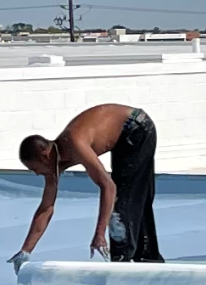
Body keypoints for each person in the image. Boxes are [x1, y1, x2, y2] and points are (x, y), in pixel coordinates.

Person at [13, 103, 163, 266]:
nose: (36, 173)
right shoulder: (52, 165)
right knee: (135, 196)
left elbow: (108, 187)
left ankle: (124, 261)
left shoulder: (75, 143)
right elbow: (46, 208)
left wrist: (100, 234)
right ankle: (148, 258)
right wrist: (25, 251)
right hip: (123, 135)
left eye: (34, 168)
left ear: (44, 156)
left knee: (125, 199)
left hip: (136, 126)